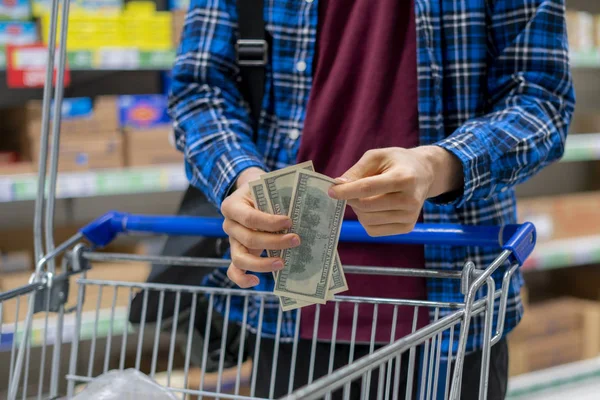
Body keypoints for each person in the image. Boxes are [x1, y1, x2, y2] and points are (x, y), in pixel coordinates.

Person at [168, 0, 575, 398]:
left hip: (455, 312)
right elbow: (202, 90)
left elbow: (541, 102)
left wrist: (440, 166)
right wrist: (244, 179)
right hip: (286, 302)